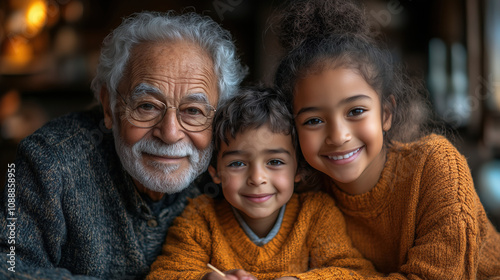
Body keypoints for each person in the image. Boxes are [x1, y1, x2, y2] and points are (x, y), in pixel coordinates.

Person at [0, 11, 246, 279]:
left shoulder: (232, 167)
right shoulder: (48, 160)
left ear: (219, 114)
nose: (171, 133)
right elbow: (8, 267)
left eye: (193, 111)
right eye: (147, 106)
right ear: (109, 105)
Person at [273, 0, 500, 279]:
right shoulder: (306, 193)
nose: (338, 136)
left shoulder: (435, 167)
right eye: (314, 121)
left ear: (386, 114)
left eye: (356, 111)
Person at [146, 87, 381, 280]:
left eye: (275, 161)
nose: (257, 178)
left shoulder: (315, 215)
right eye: (237, 164)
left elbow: (356, 273)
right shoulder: (200, 219)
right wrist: (206, 279)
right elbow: (165, 274)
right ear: (215, 172)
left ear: (298, 168)